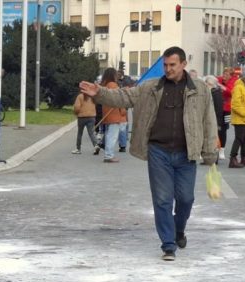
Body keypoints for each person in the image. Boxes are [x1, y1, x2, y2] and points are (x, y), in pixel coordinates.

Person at [79, 46, 217, 261]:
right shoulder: (151, 87)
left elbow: (209, 121)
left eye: (172, 65)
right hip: (158, 151)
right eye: (165, 65)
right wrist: (100, 92)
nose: (168, 69)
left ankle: (178, 229)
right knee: (162, 199)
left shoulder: (200, 89)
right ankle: (168, 244)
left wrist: (210, 154)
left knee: (186, 199)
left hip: (186, 153)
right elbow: (125, 96)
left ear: (183, 64)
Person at [98, 67, 127, 163]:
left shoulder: (104, 85)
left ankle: (108, 154)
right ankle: (109, 155)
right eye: (116, 74)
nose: (117, 76)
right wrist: (123, 111)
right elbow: (119, 100)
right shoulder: (113, 85)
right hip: (114, 113)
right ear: (113, 75)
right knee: (112, 135)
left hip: (107, 112)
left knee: (109, 134)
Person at [204, 75, 225, 163]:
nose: (205, 85)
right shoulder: (212, 92)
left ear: (211, 84)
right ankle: (210, 158)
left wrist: (218, 123)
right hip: (211, 119)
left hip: (215, 119)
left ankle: (214, 159)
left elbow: (219, 109)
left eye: (206, 83)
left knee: (214, 139)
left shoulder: (216, 93)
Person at [71, 88, 97, 154]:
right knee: (91, 133)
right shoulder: (92, 97)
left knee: (80, 133)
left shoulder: (80, 96)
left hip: (82, 117)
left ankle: (78, 149)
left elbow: (77, 107)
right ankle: (96, 146)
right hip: (92, 116)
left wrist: (76, 113)